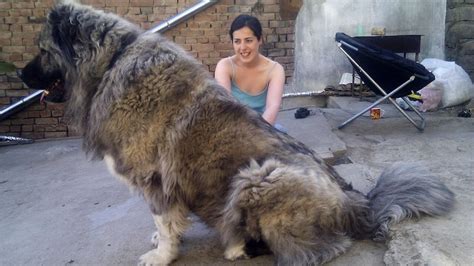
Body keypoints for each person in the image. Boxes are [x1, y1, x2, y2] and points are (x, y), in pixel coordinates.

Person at [215, 14, 286, 127]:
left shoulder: (275, 70)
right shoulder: (225, 66)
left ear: (259, 40)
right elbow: (225, 109)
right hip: (232, 128)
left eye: (248, 40)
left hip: (264, 128)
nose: (243, 47)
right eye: (237, 41)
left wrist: (256, 139)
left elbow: (272, 108)